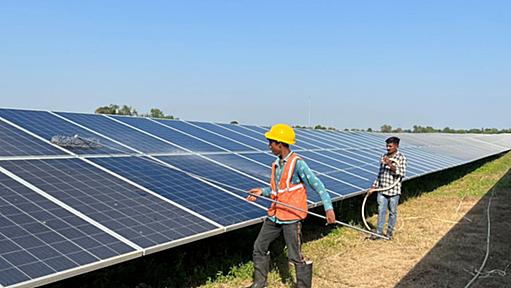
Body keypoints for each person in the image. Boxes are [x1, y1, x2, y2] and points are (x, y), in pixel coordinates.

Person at [247, 123, 336, 288]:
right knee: (259, 247)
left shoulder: (297, 163)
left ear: (279, 144)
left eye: (271, 143)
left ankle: (302, 285)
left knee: (295, 255)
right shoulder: (276, 164)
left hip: (291, 217)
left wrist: (328, 208)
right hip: (275, 214)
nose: (269, 146)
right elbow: (278, 190)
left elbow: (318, 185)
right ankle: (259, 283)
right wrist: (262, 191)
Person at [368, 136, 407, 240]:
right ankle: (379, 233)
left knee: (392, 212)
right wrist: (374, 187)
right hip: (382, 190)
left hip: (394, 191)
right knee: (381, 210)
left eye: (390, 146)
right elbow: (380, 174)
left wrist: (390, 164)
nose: (388, 148)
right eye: (387, 146)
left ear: (397, 146)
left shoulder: (401, 157)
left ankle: (389, 233)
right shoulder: (383, 156)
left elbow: (401, 173)